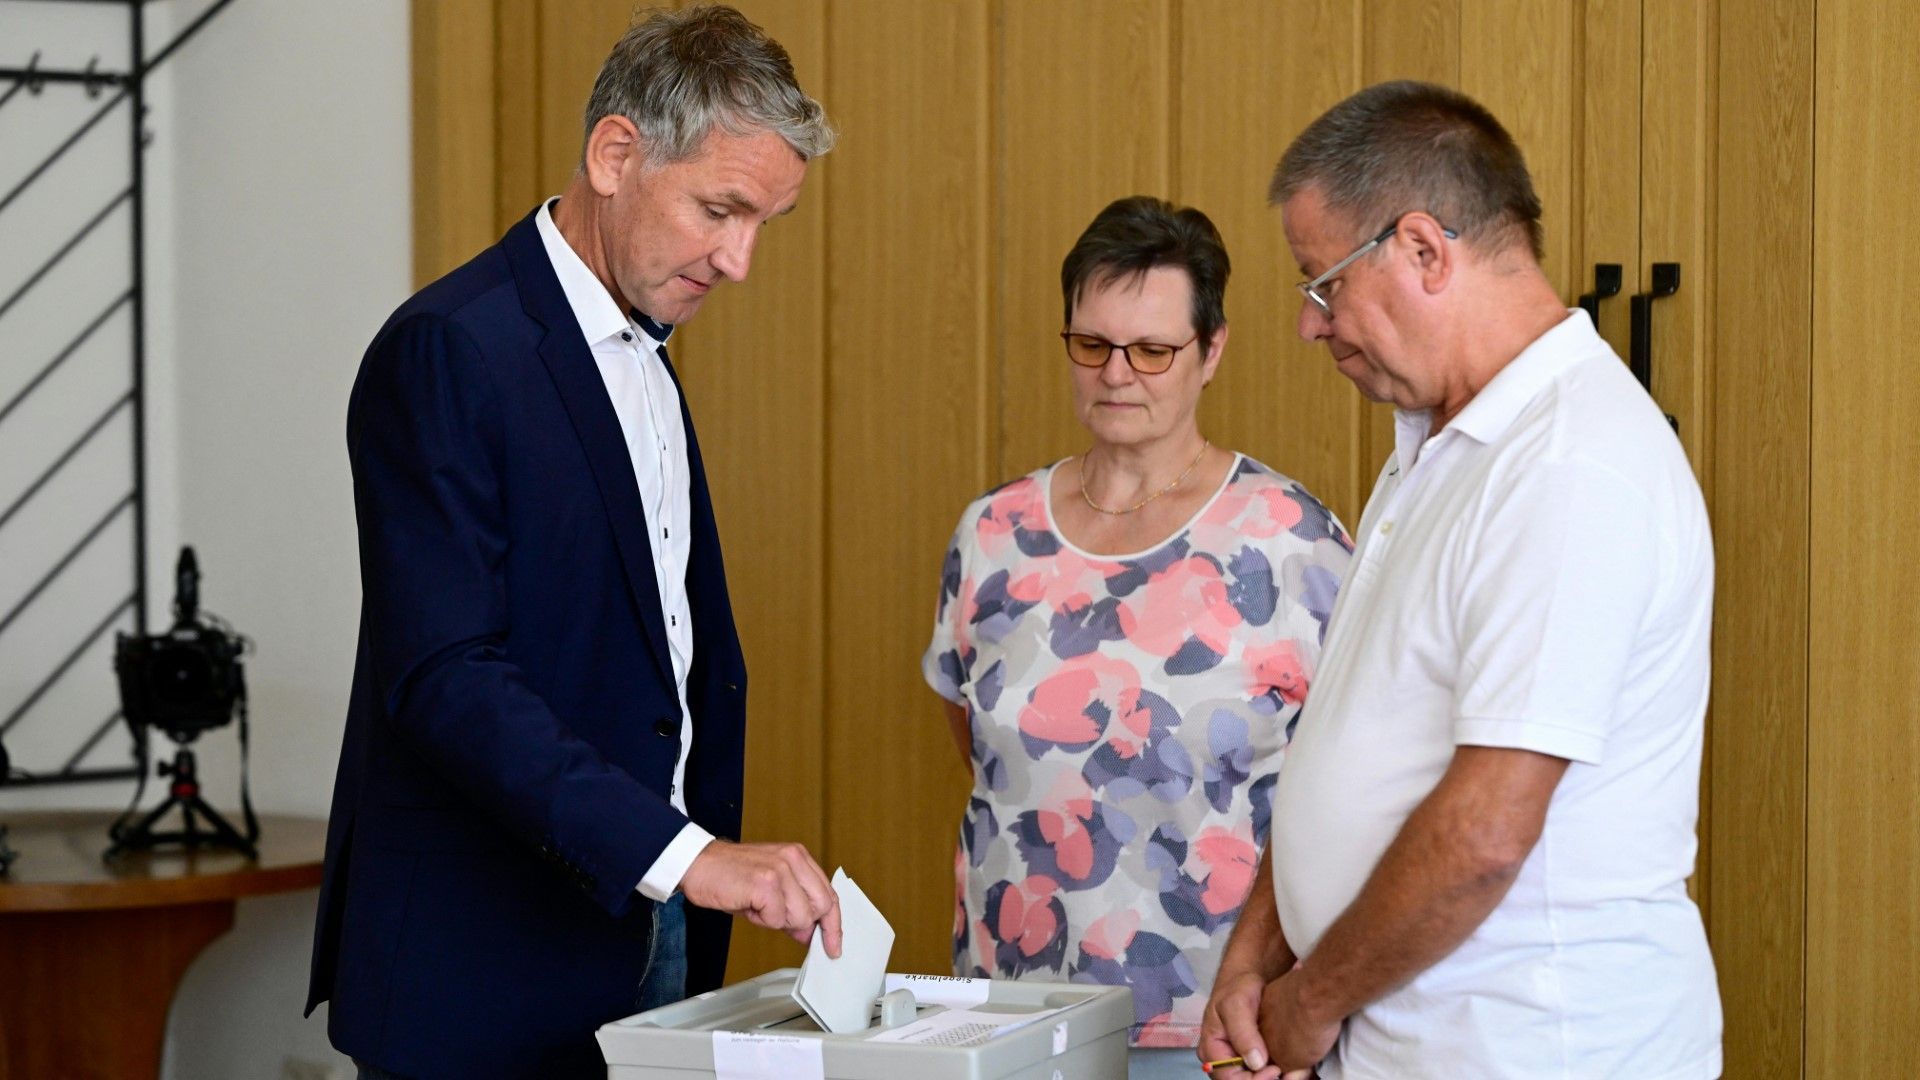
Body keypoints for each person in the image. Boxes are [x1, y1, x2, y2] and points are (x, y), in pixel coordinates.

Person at [306, 8, 845, 1077]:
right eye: (720, 210)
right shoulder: (450, 349)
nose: (739, 261)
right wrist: (686, 855)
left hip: (644, 927)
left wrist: (679, 869)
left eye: (764, 223)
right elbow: (447, 678)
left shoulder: (645, 346)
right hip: (486, 971)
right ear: (614, 154)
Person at [1197, 81, 1721, 1080]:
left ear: (1424, 251)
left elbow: (1485, 831)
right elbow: (1351, 755)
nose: (1310, 324)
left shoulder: (1569, 463)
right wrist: (1258, 955)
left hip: (1532, 1049)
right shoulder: (1438, 447)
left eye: (1322, 284)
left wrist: (1308, 1004)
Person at [924, 196, 1353, 1080]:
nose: (1118, 373)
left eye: (1153, 350)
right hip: (1008, 1020)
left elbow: (1349, 787)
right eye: (1093, 344)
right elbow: (984, 750)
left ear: (1212, 350)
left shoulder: (1292, 541)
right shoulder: (992, 533)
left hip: (1219, 1027)